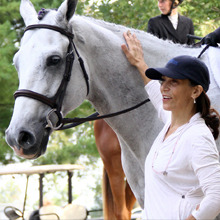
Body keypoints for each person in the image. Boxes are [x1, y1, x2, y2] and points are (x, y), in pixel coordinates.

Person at [121, 31, 220, 219]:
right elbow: (156, 93)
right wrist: (140, 63)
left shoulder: (197, 136)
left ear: (196, 91)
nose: (164, 87)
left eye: (174, 82)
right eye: (163, 80)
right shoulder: (170, 121)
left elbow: (216, 195)